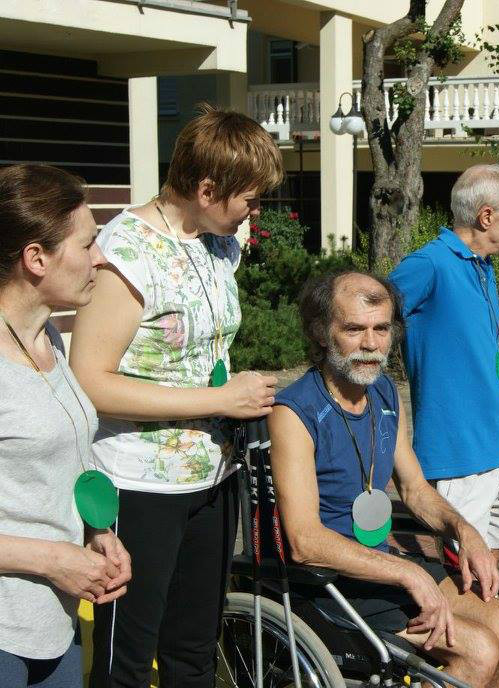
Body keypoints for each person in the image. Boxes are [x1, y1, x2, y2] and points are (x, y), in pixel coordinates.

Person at [70, 106, 283, 687]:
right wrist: (219, 401)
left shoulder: (218, 242)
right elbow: (90, 382)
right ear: (207, 190)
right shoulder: (126, 251)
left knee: (194, 653)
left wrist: (231, 398)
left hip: (213, 478)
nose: (255, 213)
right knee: (127, 660)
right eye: (249, 200)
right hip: (139, 485)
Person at [270, 270, 499, 688]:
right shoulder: (294, 412)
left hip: (382, 566)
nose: (371, 344)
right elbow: (304, 541)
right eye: (354, 329)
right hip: (330, 583)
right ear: (321, 332)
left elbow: (414, 488)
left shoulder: (384, 393)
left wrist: (465, 531)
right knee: (477, 651)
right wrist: (409, 573)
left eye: (382, 329)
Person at [0, 164, 131, 687]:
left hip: (54, 623)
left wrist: (97, 533)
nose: (101, 258)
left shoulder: (48, 336)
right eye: (88, 244)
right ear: (36, 258)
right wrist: (54, 559)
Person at [388, 164, 499, 561]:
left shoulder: (483, 267)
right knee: (463, 578)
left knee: (491, 568)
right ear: (486, 216)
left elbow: (490, 346)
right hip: (458, 458)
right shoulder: (428, 265)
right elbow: (363, 322)